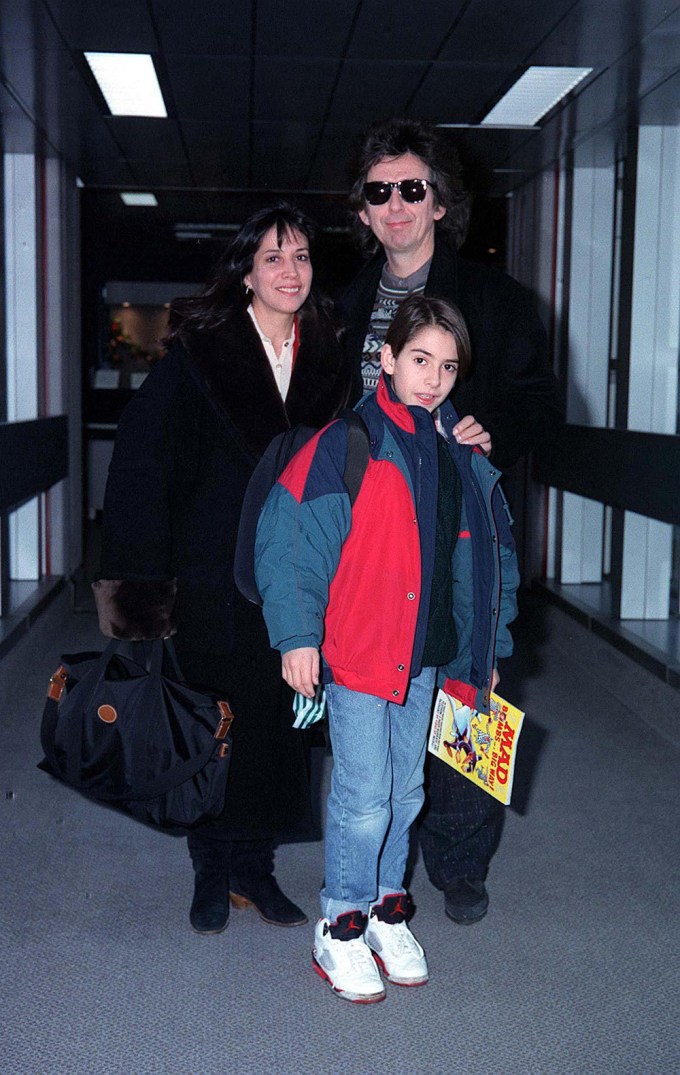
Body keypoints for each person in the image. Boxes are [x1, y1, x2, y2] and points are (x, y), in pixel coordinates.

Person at [94, 202, 355, 936]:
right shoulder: (198, 353)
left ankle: (255, 866)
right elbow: (143, 470)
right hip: (208, 570)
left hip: (294, 576)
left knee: (277, 725)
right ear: (246, 271)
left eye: (301, 256)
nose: (290, 270)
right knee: (213, 722)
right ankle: (211, 864)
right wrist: (141, 599)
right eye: (273, 256)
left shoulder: (330, 357)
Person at [254, 295, 520, 1003]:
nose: (433, 377)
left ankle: (385, 905)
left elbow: (489, 559)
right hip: (363, 653)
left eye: (448, 366)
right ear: (388, 361)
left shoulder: (463, 456)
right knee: (364, 796)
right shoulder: (350, 443)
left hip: (428, 655)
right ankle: (339, 920)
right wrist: (298, 635)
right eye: (420, 360)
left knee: (407, 791)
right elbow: (291, 543)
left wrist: (484, 648)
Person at [339, 116, 563, 926]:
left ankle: (463, 859)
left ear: (439, 201)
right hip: (376, 537)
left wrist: (492, 429)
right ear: (363, 211)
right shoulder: (348, 304)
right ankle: (380, 849)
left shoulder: (497, 301)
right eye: (379, 191)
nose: (396, 204)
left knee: (471, 683)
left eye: (412, 188)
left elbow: (539, 400)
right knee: (383, 691)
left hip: (462, 527)